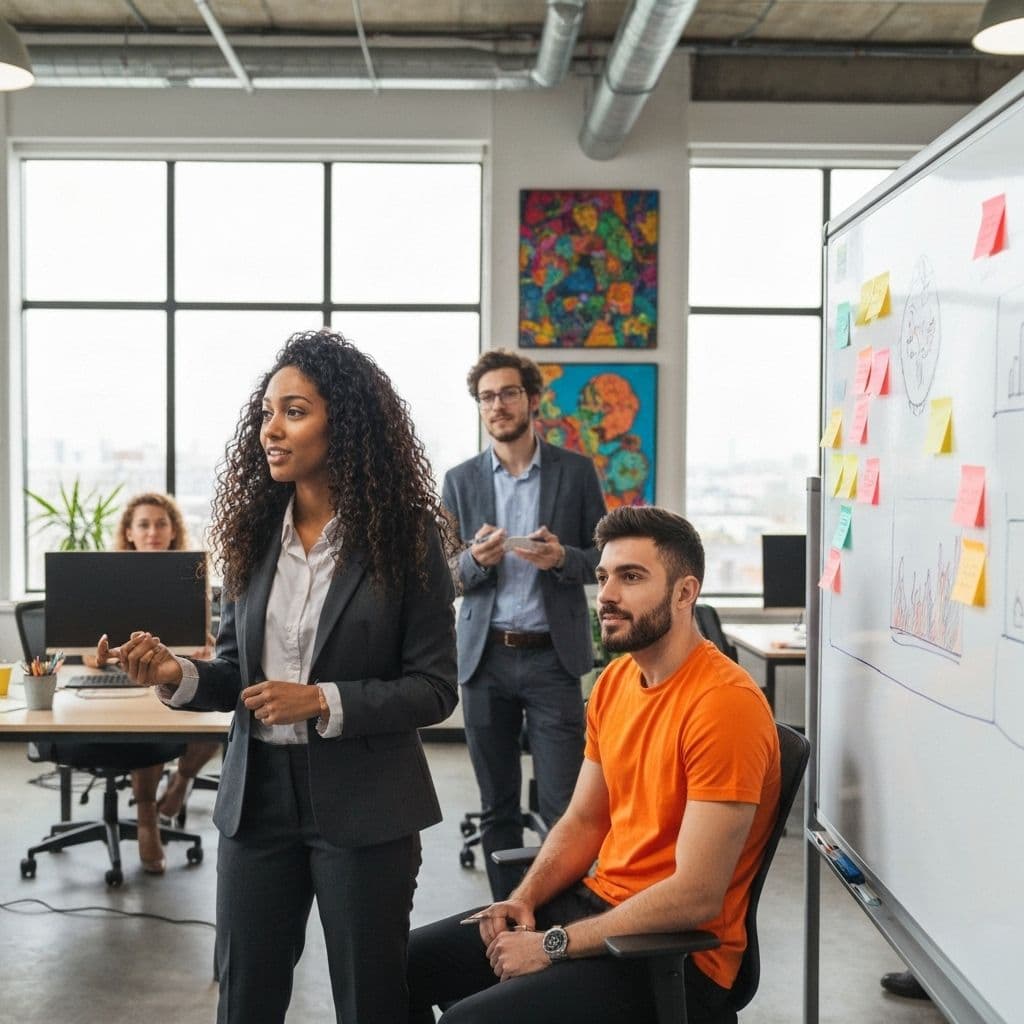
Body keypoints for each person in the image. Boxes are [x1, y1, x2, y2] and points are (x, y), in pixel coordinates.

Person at [102, 330, 458, 1024]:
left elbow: (435, 688)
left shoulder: (406, 538)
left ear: (346, 423)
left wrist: (321, 701)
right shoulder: (252, 536)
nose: (271, 429)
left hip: (366, 805)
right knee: (246, 1000)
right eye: (266, 412)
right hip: (255, 799)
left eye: (294, 411)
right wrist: (178, 673)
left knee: (371, 1000)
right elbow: (237, 674)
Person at [407, 506, 782, 1024]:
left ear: (684, 592)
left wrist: (552, 944)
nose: (606, 594)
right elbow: (585, 820)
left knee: (468, 1020)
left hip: (673, 953)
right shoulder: (615, 681)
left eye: (631, 577)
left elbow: (696, 895)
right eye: (604, 576)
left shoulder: (724, 705)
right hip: (598, 905)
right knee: (401, 966)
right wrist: (525, 901)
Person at [442, 348, 606, 899]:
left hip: (552, 661)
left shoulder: (576, 472)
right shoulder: (460, 480)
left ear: (532, 400)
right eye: (487, 397)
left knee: (566, 806)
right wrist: (474, 562)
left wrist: (562, 559)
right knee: (497, 808)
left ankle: (560, 921)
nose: (497, 405)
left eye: (508, 393)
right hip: (484, 659)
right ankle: (507, 916)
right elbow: (443, 575)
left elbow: (603, 562)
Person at [89, 492, 220, 873]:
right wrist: (98, 652)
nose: (152, 532)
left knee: (212, 722)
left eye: (161, 523)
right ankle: (147, 816)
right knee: (144, 731)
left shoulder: (191, 574)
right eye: (143, 525)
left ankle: (180, 782)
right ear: (129, 532)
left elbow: (205, 637)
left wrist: (205, 645)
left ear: (173, 529)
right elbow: (85, 645)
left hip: (175, 670)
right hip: (122, 679)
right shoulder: (107, 578)